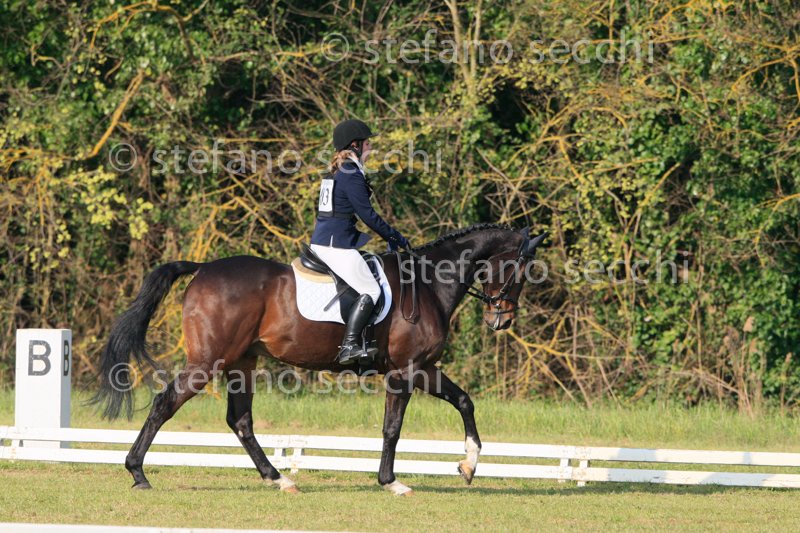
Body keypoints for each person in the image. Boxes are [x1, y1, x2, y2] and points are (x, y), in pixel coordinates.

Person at [310, 119, 411, 365]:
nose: (371, 148)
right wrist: (394, 236)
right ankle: (349, 345)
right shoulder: (350, 173)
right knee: (372, 289)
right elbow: (367, 215)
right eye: (367, 144)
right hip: (336, 246)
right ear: (354, 145)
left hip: (324, 240)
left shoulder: (336, 171)